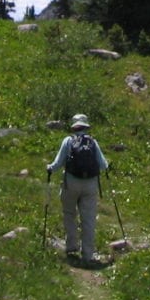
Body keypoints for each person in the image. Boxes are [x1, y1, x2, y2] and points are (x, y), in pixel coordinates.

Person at [46, 113, 109, 267]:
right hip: (90, 184)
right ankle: (88, 254)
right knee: (88, 219)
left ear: (73, 127)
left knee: (69, 213)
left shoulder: (68, 141)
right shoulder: (93, 142)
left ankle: (72, 246)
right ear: (86, 126)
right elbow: (103, 165)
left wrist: (49, 168)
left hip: (71, 182)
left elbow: (58, 163)